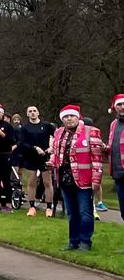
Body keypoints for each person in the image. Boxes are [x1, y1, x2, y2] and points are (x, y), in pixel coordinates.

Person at [50, 105, 104, 251]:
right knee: (71, 212)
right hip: (65, 178)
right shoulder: (59, 132)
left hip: (84, 180)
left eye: (71, 116)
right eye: (65, 117)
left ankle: (85, 241)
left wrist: (96, 179)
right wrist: (52, 162)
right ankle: (73, 241)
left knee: (85, 212)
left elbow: (97, 158)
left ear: (77, 116)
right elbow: (57, 154)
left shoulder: (91, 132)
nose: (69, 119)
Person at [17, 105, 55, 217]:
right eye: (30, 111)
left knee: (47, 182)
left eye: (34, 111)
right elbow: (22, 144)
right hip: (31, 157)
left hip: (45, 157)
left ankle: (49, 208)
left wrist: (51, 147)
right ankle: (32, 207)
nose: (32, 113)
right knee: (31, 182)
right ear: (27, 114)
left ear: (38, 113)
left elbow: (56, 137)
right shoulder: (24, 128)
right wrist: (34, 148)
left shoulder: (46, 126)